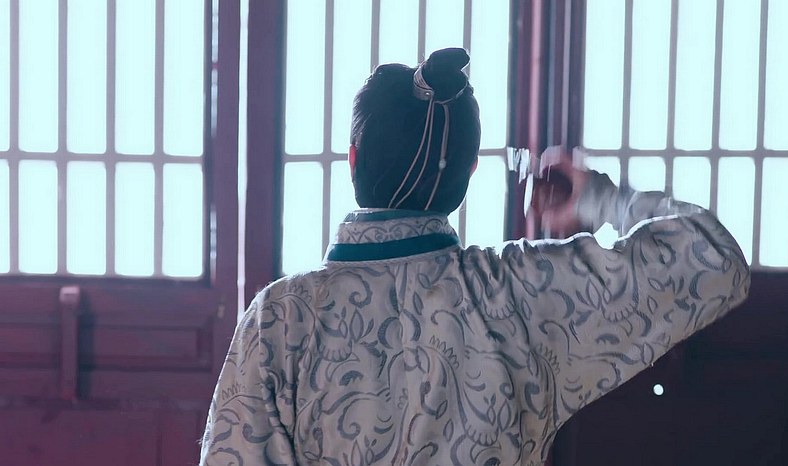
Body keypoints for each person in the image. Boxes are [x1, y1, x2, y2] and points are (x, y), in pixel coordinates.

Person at [199, 48, 750, 466]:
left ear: (353, 160)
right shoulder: (516, 292)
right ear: (467, 174)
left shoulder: (281, 317)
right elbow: (714, 258)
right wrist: (601, 198)